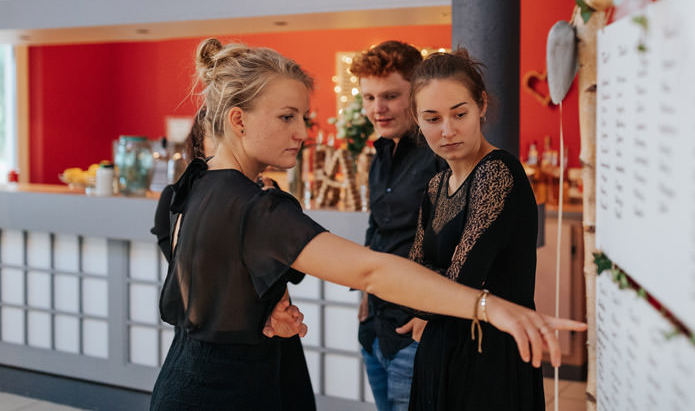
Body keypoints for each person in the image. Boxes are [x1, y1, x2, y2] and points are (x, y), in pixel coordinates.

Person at [149, 38, 584, 411]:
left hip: (182, 379)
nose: (302, 132)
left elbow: (201, 268)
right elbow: (372, 270)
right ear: (239, 120)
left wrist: (260, 307)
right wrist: (491, 306)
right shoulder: (258, 208)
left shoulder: (190, 187)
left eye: (303, 117)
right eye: (287, 117)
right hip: (233, 391)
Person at [406, 49, 546, 410]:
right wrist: (423, 288)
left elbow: (459, 282)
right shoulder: (437, 186)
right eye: (432, 118)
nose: (448, 130)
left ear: (481, 105)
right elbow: (413, 274)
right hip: (442, 350)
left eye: (460, 113)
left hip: (489, 355)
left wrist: (424, 288)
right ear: (417, 120)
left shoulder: (496, 173)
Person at [151, 108, 317, 409]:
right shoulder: (183, 197)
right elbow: (196, 272)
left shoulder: (266, 199)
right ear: (201, 145)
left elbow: (293, 272)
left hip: (275, 345)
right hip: (210, 348)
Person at [349, 41, 445, 411]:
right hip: (375, 327)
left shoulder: (440, 154)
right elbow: (378, 230)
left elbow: (459, 245)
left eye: (390, 96)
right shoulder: (380, 154)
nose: (378, 109)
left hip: (415, 333)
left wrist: (429, 314)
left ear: (417, 93)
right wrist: (364, 294)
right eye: (369, 97)